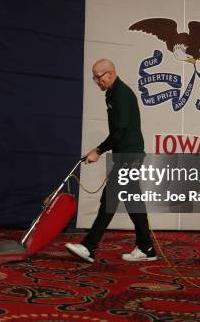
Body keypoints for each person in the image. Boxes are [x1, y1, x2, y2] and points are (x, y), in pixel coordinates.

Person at [65, 59, 157, 262]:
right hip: (126, 155)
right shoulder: (112, 93)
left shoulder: (122, 94)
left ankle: (89, 246)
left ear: (110, 73)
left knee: (109, 200)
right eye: (94, 78)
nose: (96, 81)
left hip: (130, 156)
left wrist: (98, 150)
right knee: (133, 203)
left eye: (98, 77)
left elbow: (120, 131)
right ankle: (147, 247)